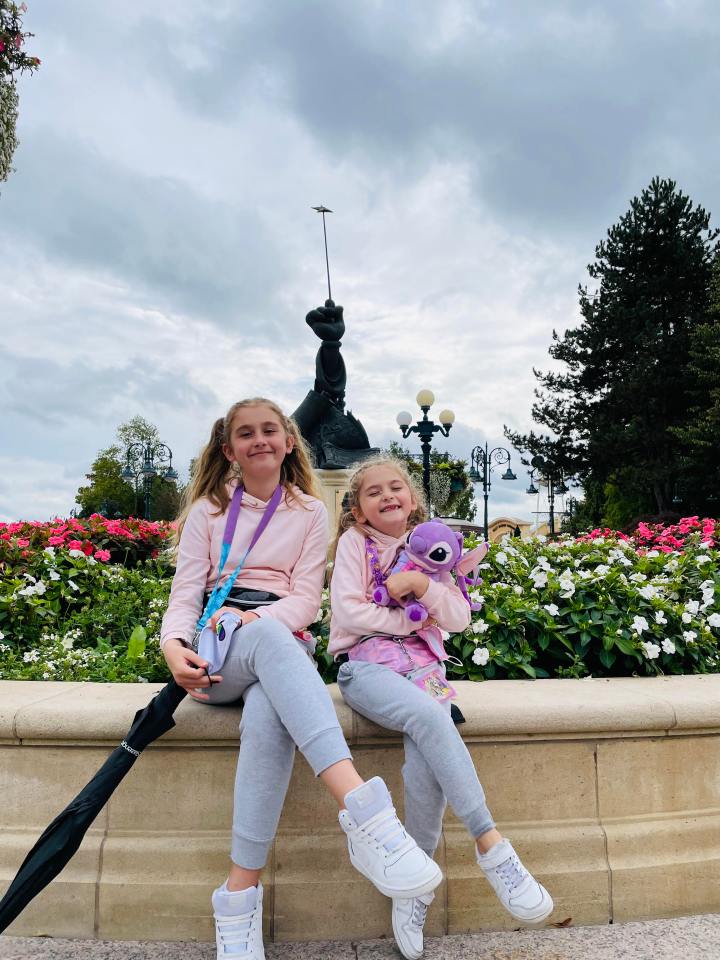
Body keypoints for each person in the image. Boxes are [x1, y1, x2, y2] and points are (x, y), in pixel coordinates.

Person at [160, 400, 442, 960]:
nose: (259, 440)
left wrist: (260, 621)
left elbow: (307, 600)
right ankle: (368, 816)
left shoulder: (311, 511)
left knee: (269, 712)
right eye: (246, 433)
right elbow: (186, 594)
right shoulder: (207, 512)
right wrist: (172, 647)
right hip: (216, 651)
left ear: (289, 441)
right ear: (229, 450)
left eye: (270, 430)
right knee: (268, 640)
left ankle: (238, 902)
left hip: (279, 642)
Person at [329, 456, 553, 960]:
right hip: (366, 668)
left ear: (412, 499)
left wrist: (425, 586)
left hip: (426, 673)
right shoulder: (353, 544)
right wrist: (411, 621)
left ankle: (416, 886)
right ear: (358, 509)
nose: (387, 496)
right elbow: (348, 611)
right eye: (373, 492)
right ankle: (491, 845)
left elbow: (457, 619)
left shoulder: (432, 547)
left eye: (396, 488)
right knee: (431, 717)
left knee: (423, 760)